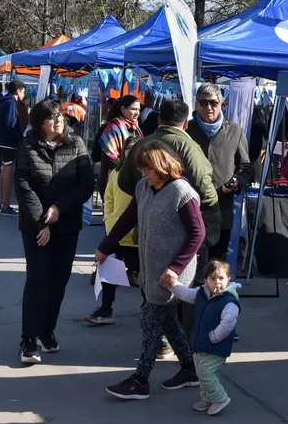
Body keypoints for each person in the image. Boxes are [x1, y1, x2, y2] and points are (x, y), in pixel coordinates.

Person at [97, 141, 206, 400]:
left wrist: (175, 268)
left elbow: (198, 233)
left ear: (162, 166)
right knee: (168, 321)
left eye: (148, 169)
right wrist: (105, 247)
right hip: (150, 267)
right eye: (142, 169)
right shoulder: (144, 188)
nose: (143, 174)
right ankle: (190, 369)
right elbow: (127, 218)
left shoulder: (182, 192)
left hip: (171, 272)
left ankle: (140, 380)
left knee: (149, 320)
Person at [14, 98, 94, 364]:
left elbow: (86, 184)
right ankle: (28, 338)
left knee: (58, 281)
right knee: (38, 279)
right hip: (35, 226)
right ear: (40, 123)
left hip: (67, 225)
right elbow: (23, 186)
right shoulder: (27, 146)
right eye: (51, 117)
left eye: (59, 115)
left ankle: (46, 331)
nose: (58, 120)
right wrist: (42, 223)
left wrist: (59, 208)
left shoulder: (76, 144)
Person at [186, 83, 252, 260]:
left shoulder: (235, 132)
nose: (208, 107)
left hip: (222, 208)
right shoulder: (186, 130)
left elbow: (246, 167)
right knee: (192, 263)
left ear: (221, 104)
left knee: (216, 264)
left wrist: (238, 180)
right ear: (196, 103)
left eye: (213, 103)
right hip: (191, 206)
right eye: (203, 103)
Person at [166, 260, 239, 416]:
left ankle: (220, 398)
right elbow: (185, 293)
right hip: (200, 345)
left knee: (206, 373)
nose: (217, 282)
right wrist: (172, 284)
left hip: (216, 348)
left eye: (221, 278)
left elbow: (228, 324)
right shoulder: (201, 294)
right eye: (213, 278)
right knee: (201, 372)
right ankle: (208, 398)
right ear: (206, 280)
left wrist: (214, 338)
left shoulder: (229, 302)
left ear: (228, 280)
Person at [86, 136, 140, 326]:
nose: (132, 150)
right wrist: (108, 221)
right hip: (115, 232)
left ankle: (149, 311)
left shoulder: (146, 174)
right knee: (109, 275)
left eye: (136, 147)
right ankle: (105, 309)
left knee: (144, 277)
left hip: (138, 237)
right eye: (129, 147)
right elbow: (108, 198)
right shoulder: (116, 172)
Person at [98, 94, 142, 196]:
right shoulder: (112, 129)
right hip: (113, 182)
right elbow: (110, 160)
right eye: (133, 109)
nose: (137, 113)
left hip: (131, 181)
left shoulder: (136, 128)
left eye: (138, 110)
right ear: (123, 109)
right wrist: (129, 168)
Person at [0, 81, 26, 216]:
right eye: (23, 92)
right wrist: (19, 137)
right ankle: (5, 205)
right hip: (10, 142)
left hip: (4, 141)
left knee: (5, 170)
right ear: (18, 91)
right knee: (8, 171)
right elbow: (10, 123)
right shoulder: (10, 103)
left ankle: (2, 203)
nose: (24, 95)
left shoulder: (5, 101)